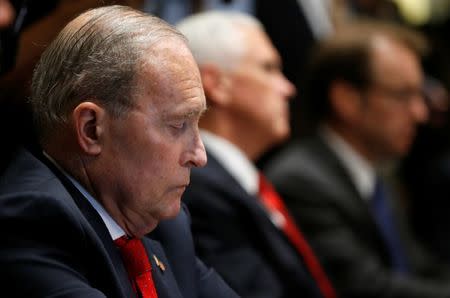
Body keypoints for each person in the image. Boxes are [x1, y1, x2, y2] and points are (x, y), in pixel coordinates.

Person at [0, 5, 238, 298]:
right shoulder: (30, 223)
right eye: (178, 124)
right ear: (91, 129)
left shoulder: (165, 226)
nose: (199, 156)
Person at [265, 20, 450, 298]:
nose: (420, 113)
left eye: (420, 94)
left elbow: (418, 266)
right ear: (346, 100)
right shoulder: (302, 182)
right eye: (403, 95)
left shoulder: (375, 173)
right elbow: (365, 288)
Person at [177, 11, 336, 298]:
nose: (288, 88)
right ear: (216, 84)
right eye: (269, 68)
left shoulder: (240, 180)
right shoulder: (198, 189)